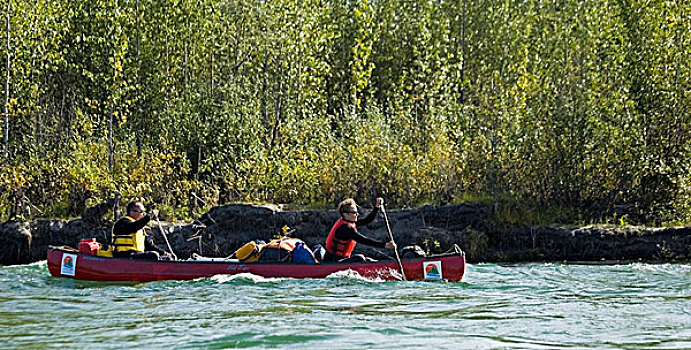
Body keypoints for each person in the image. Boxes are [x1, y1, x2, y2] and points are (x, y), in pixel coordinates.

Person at [323, 197, 396, 262]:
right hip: (333, 262)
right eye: (354, 213)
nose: (357, 214)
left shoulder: (350, 223)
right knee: (360, 258)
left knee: (368, 260)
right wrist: (385, 245)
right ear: (345, 214)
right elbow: (362, 239)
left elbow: (367, 220)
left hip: (342, 261)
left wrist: (376, 207)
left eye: (357, 212)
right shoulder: (345, 229)